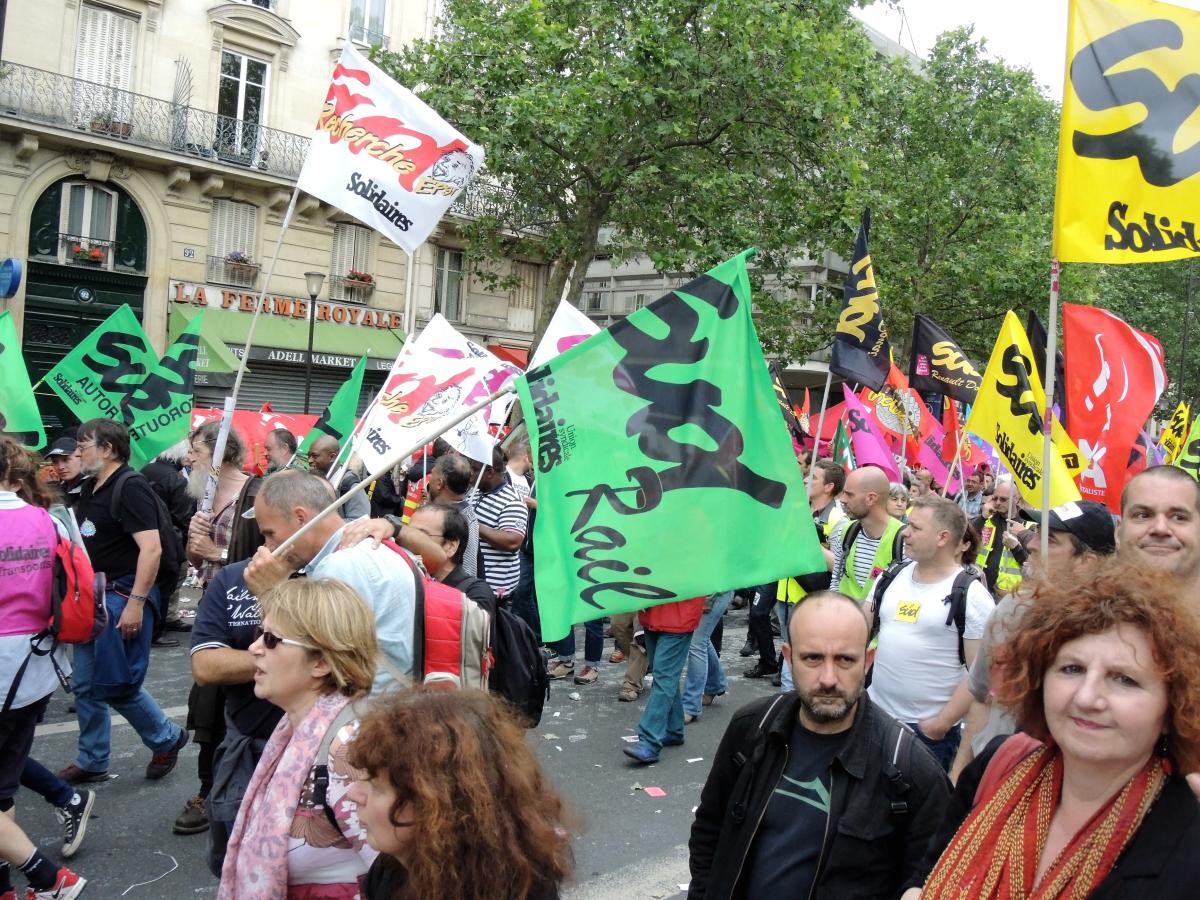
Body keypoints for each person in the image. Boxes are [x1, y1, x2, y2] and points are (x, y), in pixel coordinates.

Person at [909, 562, 1200, 899]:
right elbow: (927, 871)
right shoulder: (997, 765)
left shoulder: (1187, 843)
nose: (1087, 697)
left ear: (1172, 707)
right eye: (1072, 669)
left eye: (1124, 679)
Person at [688, 591, 950, 899]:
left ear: (867, 662)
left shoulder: (911, 771)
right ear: (788, 658)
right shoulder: (751, 728)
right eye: (812, 658)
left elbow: (927, 879)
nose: (828, 678)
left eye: (844, 659)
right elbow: (709, 829)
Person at [217, 578, 379, 898]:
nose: (254, 647)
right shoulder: (297, 730)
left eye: (272, 639)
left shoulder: (346, 751)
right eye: (258, 633)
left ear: (320, 662)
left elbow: (404, 874)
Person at [347, 689, 573, 900]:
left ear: (435, 803)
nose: (353, 793)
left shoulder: (520, 888)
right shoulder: (391, 870)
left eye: (377, 786)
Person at [59, 419, 188, 785]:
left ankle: (166, 737)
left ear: (108, 449)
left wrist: (135, 603)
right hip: (93, 599)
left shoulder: (130, 487)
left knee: (117, 684)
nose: (78, 453)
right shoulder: (90, 487)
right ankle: (93, 759)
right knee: (85, 685)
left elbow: (151, 549)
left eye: (84, 446)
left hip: (120, 598)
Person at [951, 500, 1116, 781]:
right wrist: (959, 776)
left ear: (1086, 562)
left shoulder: (1113, 632)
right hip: (988, 777)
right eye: (1037, 533)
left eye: (1049, 540)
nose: (1032, 545)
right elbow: (983, 699)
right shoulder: (1013, 608)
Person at [0, 437, 88, 899]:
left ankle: (48, 878)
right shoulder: (47, 520)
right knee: (2, 789)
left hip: (4, 670)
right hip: (39, 667)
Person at [245, 470, 416, 692]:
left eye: (270, 534)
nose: (268, 546)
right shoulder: (365, 548)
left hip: (366, 709)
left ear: (300, 517)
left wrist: (270, 590)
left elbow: (307, 657)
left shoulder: (340, 566)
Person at [176, 424, 264, 837]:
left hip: (251, 616)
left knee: (250, 705)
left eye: (195, 449)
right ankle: (210, 789)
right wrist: (196, 553)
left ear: (220, 451)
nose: (188, 457)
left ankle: (245, 789)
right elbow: (203, 565)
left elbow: (275, 555)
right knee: (207, 705)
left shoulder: (258, 494)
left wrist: (219, 552)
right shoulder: (204, 497)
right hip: (215, 613)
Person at [867, 496, 994, 770]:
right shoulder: (891, 576)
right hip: (874, 717)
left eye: (915, 527)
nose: (905, 532)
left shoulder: (972, 596)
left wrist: (940, 724)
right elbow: (858, 633)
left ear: (942, 537)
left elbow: (981, 674)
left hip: (926, 736)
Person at [189, 556, 285, 877]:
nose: (257, 648)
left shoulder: (333, 573)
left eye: (271, 639)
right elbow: (205, 666)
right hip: (242, 744)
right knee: (231, 863)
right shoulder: (233, 577)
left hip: (294, 752)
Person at [623, 595, 704, 764]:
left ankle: (649, 740)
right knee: (665, 676)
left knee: (664, 678)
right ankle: (674, 729)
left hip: (678, 616)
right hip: (654, 611)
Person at [1115, 464, 1200, 596]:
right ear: (1118, 533)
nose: (1160, 528)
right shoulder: (1077, 614)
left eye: (1179, 517)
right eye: (1143, 515)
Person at [142, 440, 196, 646]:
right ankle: (157, 629)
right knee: (166, 585)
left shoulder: (145, 470)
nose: (191, 456)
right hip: (169, 540)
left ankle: (165, 621)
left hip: (145, 536)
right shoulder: (177, 480)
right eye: (189, 451)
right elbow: (183, 519)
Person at [830, 465, 904, 602]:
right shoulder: (847, 530)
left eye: (849, 494)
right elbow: (836, 579)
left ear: (871, 498)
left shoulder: (904, 539)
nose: (843, 499)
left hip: (878, 621)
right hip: (845, 617)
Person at [473, 445, 528, 602]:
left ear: (490, 472)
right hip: (476, 583)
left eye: (475, 469)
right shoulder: (476, 492)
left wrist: (474, 525)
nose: (471, 474)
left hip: (493, 589)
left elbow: (512, 542)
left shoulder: (512, 501)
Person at [424, 453, 480, 577]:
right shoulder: (467, 510)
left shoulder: (446, 520)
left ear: (440, 483)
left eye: (432, 474)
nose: (429, 479)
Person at [970, 477, 1026, 597]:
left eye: (1003, 499)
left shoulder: (1026, 526)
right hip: (980, 586)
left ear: (1016, 500)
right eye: (995, 498)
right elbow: (966, 539)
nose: (998, 502)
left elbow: (1032, 565)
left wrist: (1016, 548)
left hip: (1009, 594)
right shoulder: (988, 518)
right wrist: (982, 517)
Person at [682, 591, 732, 723]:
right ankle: (715, 684)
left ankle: (690, 706)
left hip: (713, 592)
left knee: (697, 642)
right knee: (700, 639)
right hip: (705, 591)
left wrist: (709, 598)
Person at [307, 435, 370, 521]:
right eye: (309, 456)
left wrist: (323, 526)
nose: (309, 460)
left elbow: (360, 522)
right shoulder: (313, 482)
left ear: (332, 457)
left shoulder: (349, 485)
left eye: (315, 456)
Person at [44, 437, 84, 506]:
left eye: (66, 460)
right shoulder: (62, 487)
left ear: (80, 457)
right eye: (55, 461)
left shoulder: (92, 487)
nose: (60, 467)